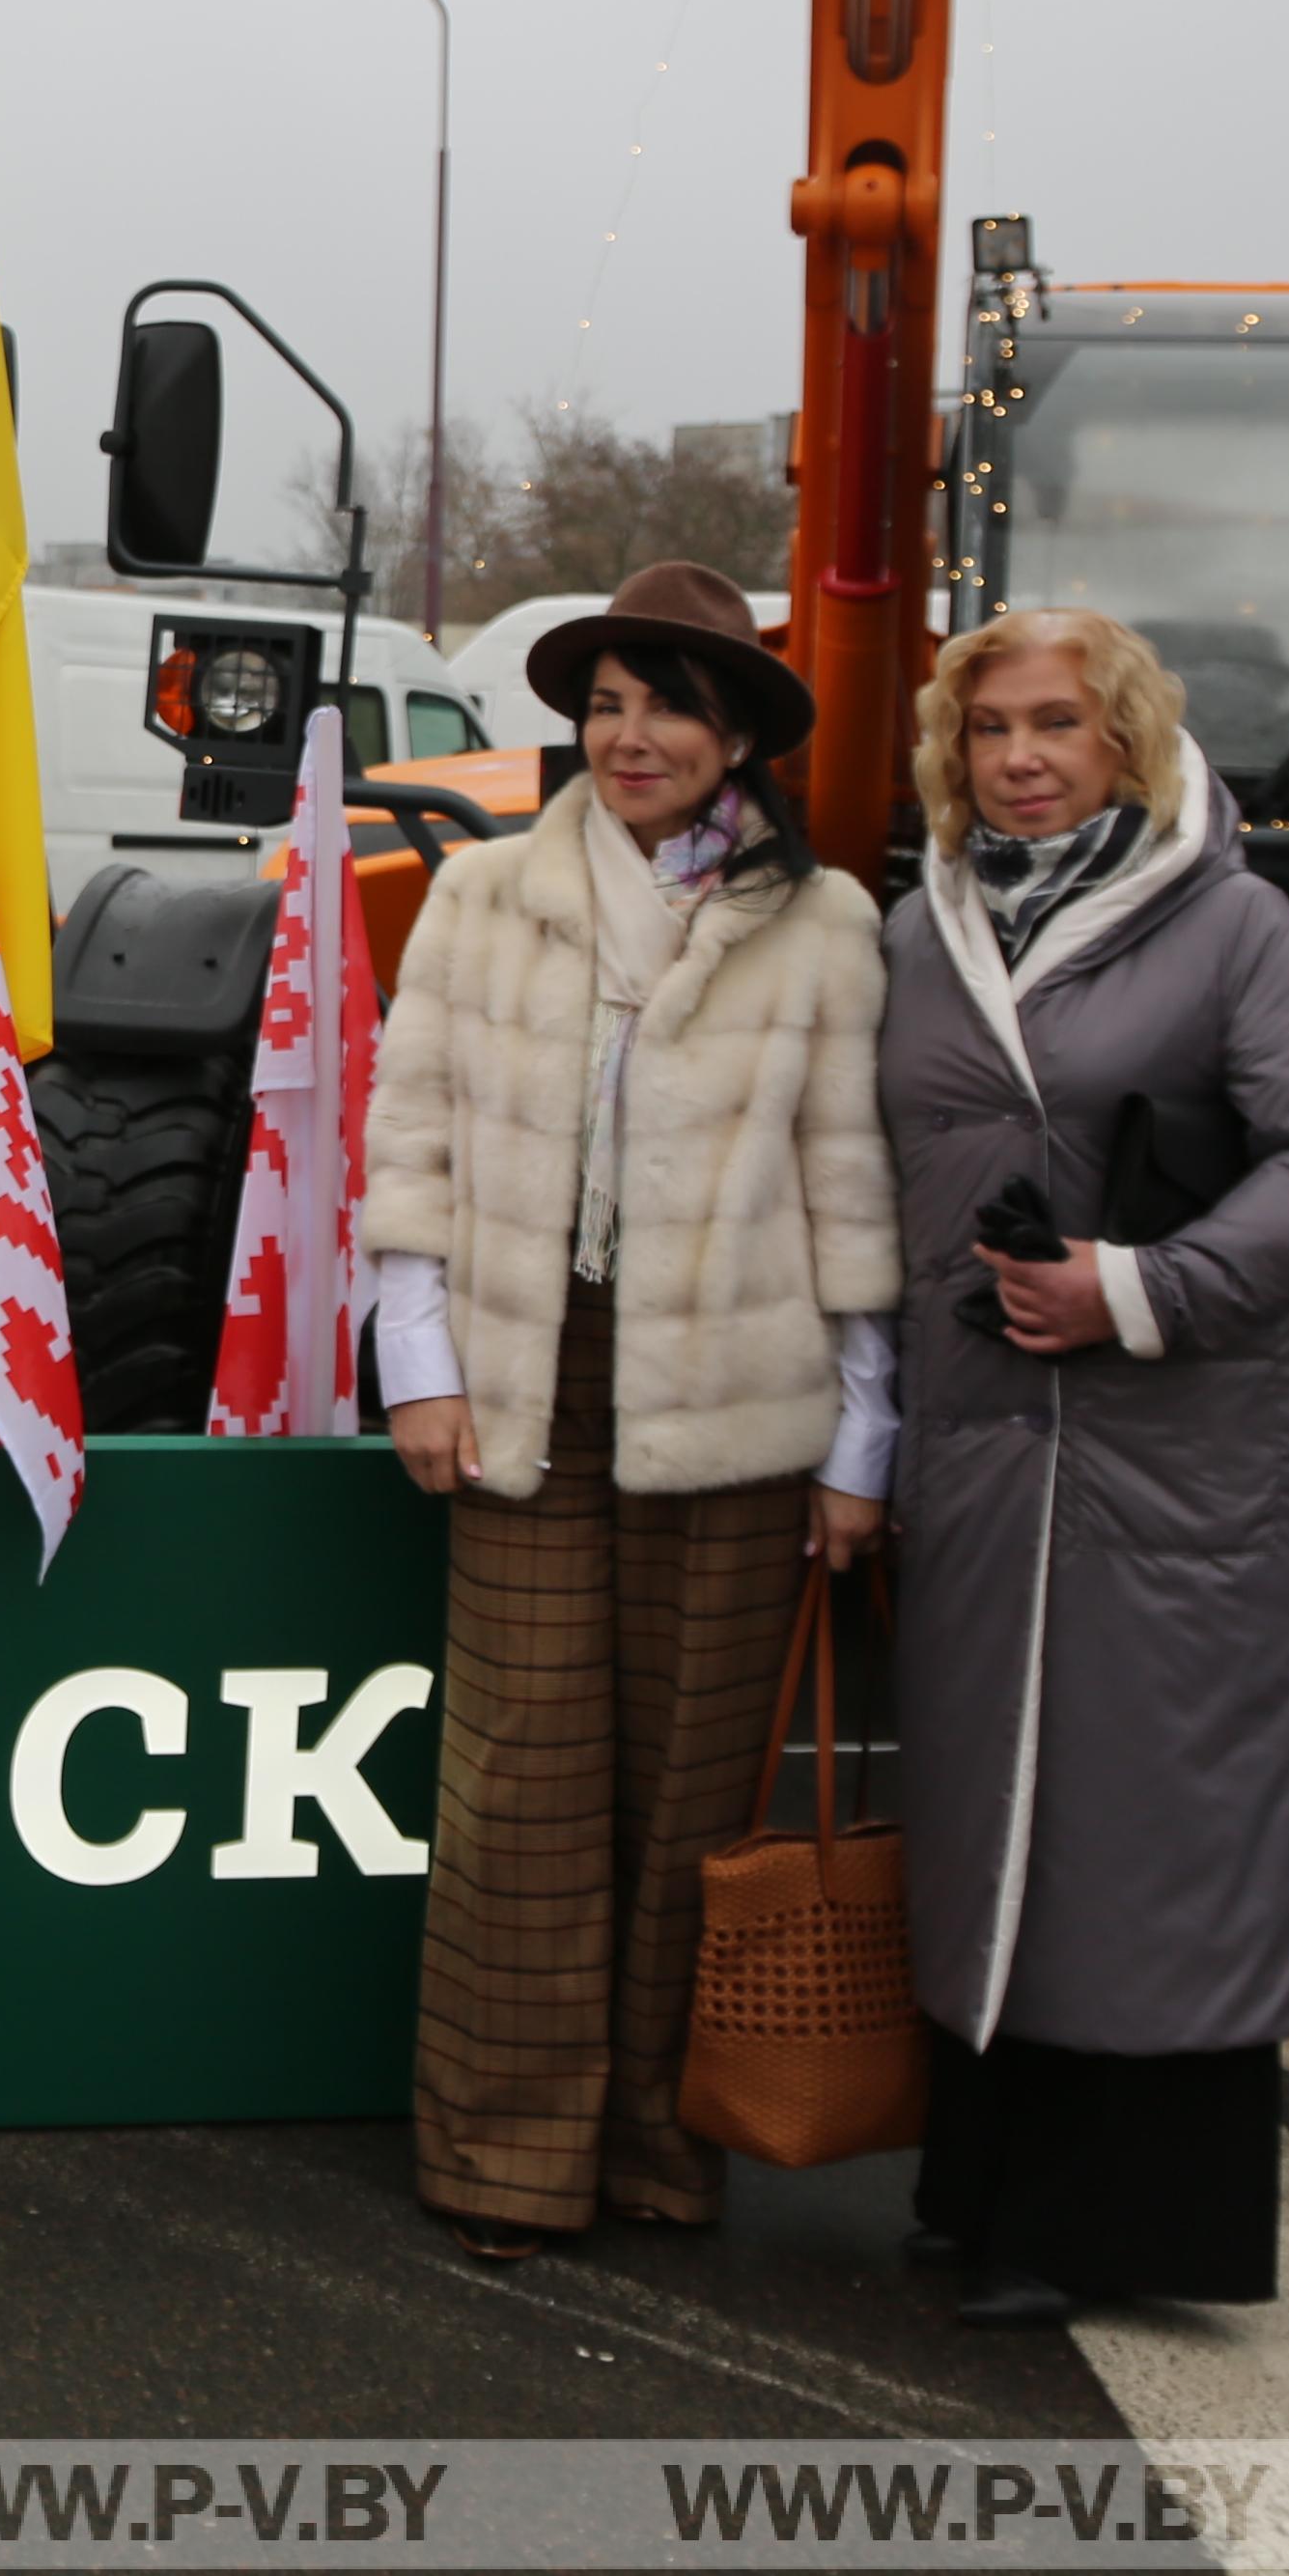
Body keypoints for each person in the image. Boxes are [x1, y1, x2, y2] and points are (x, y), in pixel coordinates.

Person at [862, 608, 1289, 2324]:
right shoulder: (913, 936)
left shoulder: (1229, 924)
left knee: (1145, 1840)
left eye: (1064, 726)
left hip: (1168, 1468)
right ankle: (986, 2188)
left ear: (1129, 741)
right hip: (975, 1452)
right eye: (995, 729)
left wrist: (1149, 1289)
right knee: (980, 1823)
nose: (1025, 757)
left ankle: (1114, 2230)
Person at [359, 560, 899, 2255]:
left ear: (736, 732)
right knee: (520, 1782)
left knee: (689, 1793)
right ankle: (503, 2160)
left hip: (739, 1407)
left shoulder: (825, 922)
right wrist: (419, 1359)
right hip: (529, 1382)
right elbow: (416, 1135)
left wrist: (863, 1438)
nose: (632, 733)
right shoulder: (489, 896)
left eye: (668, 701)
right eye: (605, 702)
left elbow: (848, 1184)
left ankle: (663, 2151)